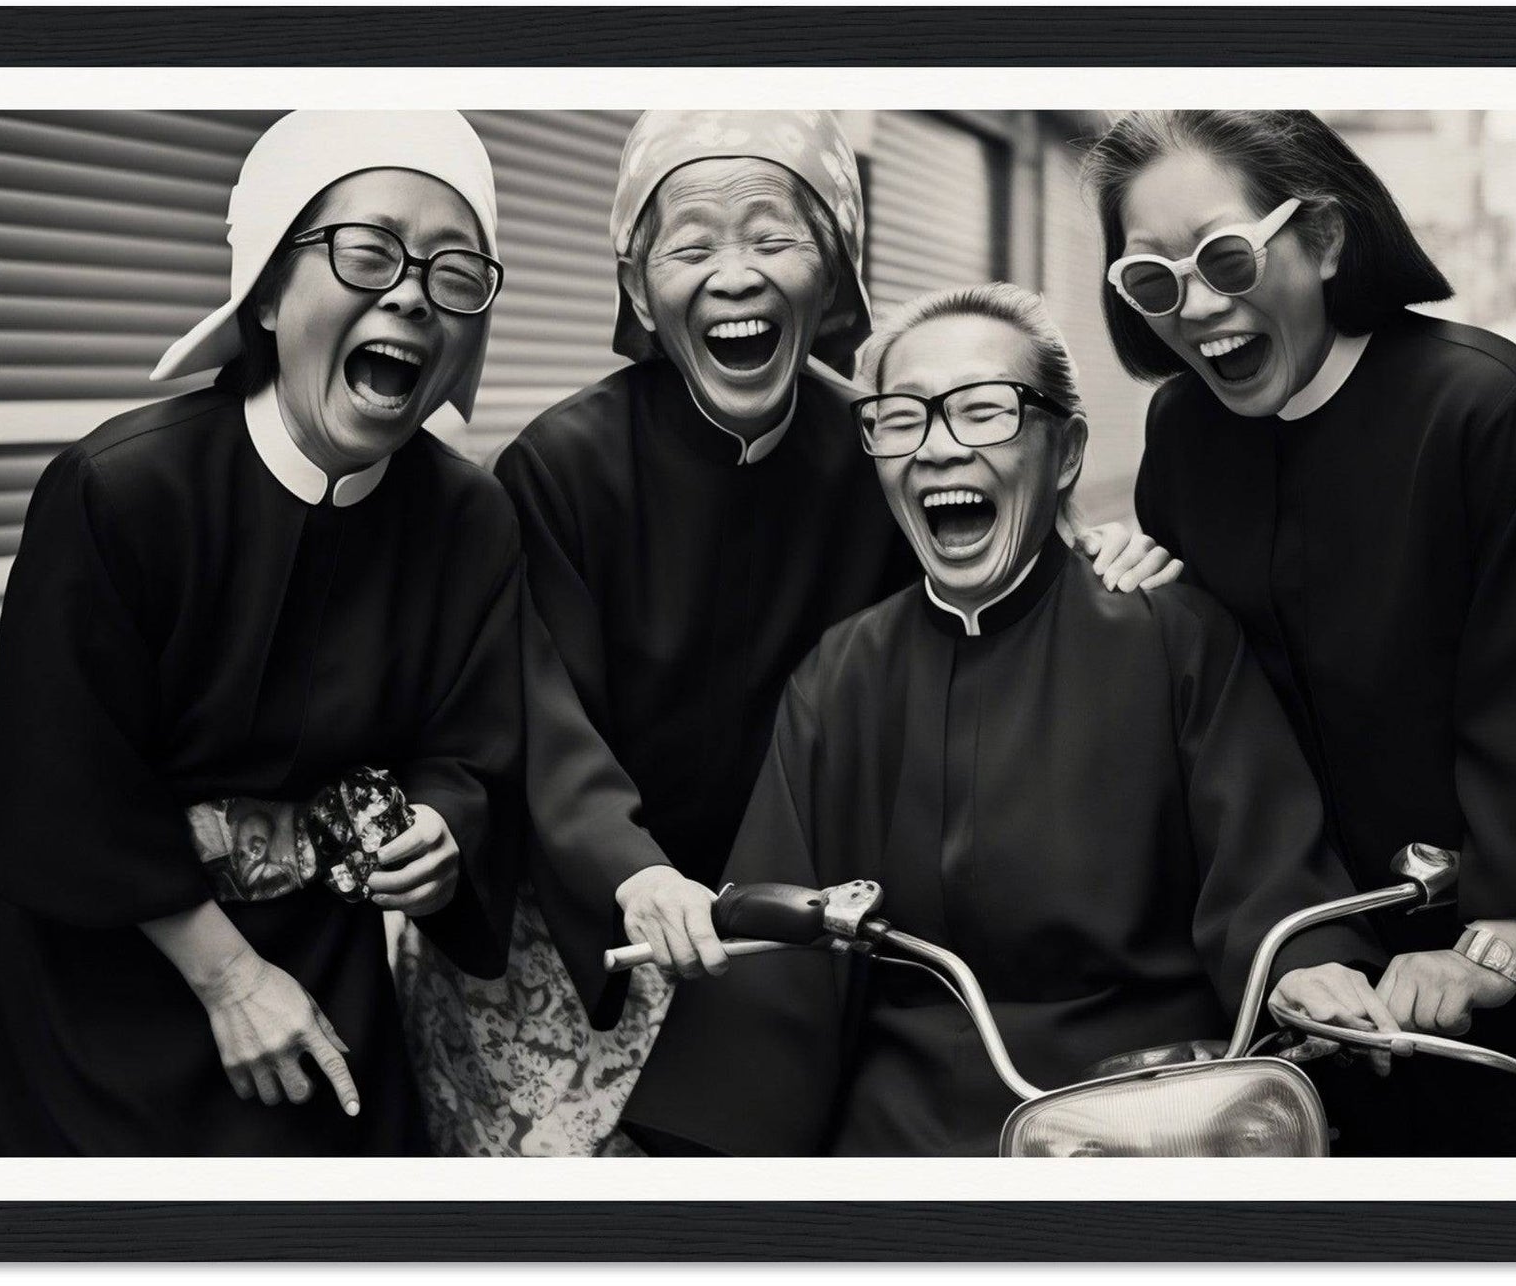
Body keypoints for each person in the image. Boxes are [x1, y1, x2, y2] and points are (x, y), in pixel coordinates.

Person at [622, 285, 1389, 1156]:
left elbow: (1268, 872)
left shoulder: (1173, 637)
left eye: (984, 412)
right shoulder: (841, 676)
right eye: (901, 419)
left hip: (1142, 1111)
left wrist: (1305, 965)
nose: (940, 449)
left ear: (1065, 453)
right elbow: (780, 951)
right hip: (903, 1128)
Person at [493, 112, 1168, 1053]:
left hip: (822, 911)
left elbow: (990, 580)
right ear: (641, 293)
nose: (735, 274)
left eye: (775, 238)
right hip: (612, 915)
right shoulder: (560, 466)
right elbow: (540, 711)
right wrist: (630, 870)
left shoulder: (885, 441)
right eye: (689, 247)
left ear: (839, 270)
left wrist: (1095, 557)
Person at [0, 110, 524, 1155]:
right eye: (368, 251)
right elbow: (58, 778)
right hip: (95, 982)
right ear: (268, 291)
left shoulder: (469, 520)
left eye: (456, 273)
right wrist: (226, 975)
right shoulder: (117, 489)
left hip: (319, 965)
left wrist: (445, 828)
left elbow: (473, 742)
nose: (410, 291)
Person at [1087, 109, 1516, 1154]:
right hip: (1302, 950)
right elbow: (1215, 685)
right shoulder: (1180, 429)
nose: (1194, 308)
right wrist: (1156, 576)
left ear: (1324, 239)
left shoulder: (1480, 401)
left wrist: (1497, 933)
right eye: (1150, 280)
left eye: (1223, 257)